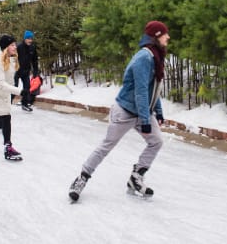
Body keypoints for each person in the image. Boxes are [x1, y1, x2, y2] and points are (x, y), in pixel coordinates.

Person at [68, 21, 169, 201]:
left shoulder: (156, 57)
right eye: (165, 34)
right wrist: (146, 120)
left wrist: (158, 111)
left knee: (156, 141)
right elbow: (141, 92)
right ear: (156, 36)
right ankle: (81, 178)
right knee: (107, 146)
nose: (168, 37)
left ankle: (136, 177)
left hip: (143, 112)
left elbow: (153, 88)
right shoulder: (144, 58)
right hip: (125, 112)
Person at [14, 30, 39, 112]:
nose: (30, 40)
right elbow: (11, 58)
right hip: (16, 71)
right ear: (25, 39)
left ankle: (24, 104)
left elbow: (35, 60)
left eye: (31, 38)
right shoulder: (19, 47)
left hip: (25, 71)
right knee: (14, 88)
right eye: (28, 38)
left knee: (27, 88)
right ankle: (6, 104)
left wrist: (35, 71)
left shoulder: (32, 47)